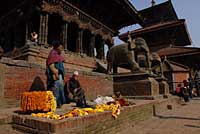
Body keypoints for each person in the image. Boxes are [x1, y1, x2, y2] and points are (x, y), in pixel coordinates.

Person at [46, 41, 66, 108]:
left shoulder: (58, 55)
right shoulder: (53, 54)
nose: (62, 49)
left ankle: (59, 102)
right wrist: (56, 73)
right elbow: (51, 65)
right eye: (61, 47)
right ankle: (56, 103)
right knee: (56, 88)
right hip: (56, 74)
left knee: (60, 88)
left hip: (59, 74)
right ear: (57, 47)